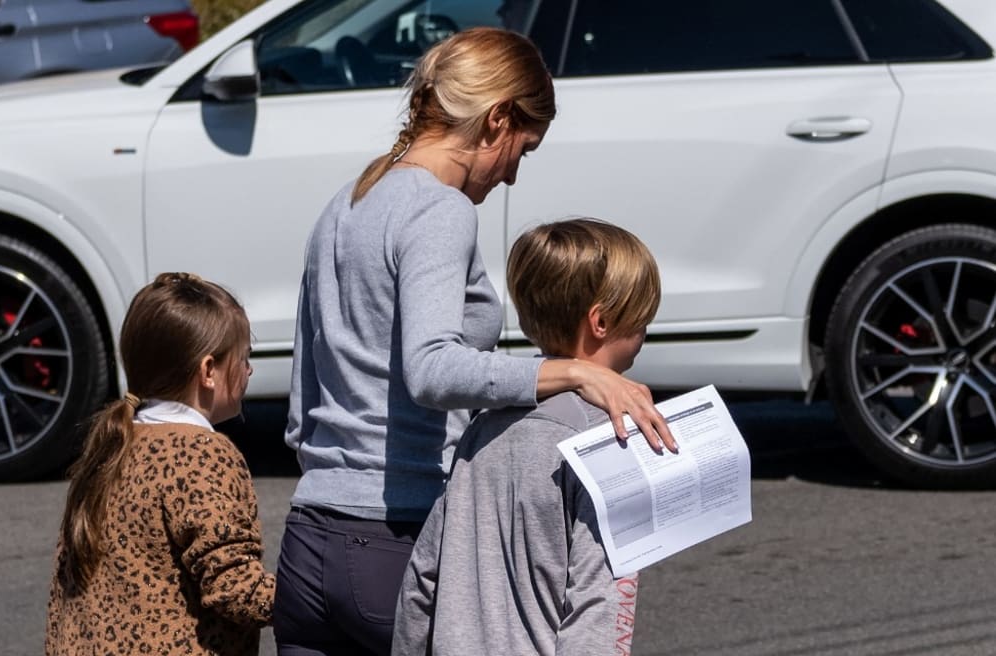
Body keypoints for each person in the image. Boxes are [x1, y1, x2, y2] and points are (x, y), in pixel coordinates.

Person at [275, 27, 676, 656]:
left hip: (308, 545)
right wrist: (572, 373)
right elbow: (432, 370)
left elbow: (304, 401)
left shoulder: (347, 203)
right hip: (394, 538)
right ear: (496, 120)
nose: (514, 174)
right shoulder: (440, 209)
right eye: (524, 147)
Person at [392, 218, 660, 655]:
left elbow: (423, 578)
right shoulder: (609, 437)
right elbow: (598, 602)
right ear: (603, 321)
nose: (647, 325)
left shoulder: (483, 428)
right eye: (643, 314)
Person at [45, 273, 275, 656]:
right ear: (207, 371)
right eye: (243, 357)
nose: (248, 370)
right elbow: (233, 587)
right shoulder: (202, 454)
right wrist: (314, 602)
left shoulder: (111, 445)